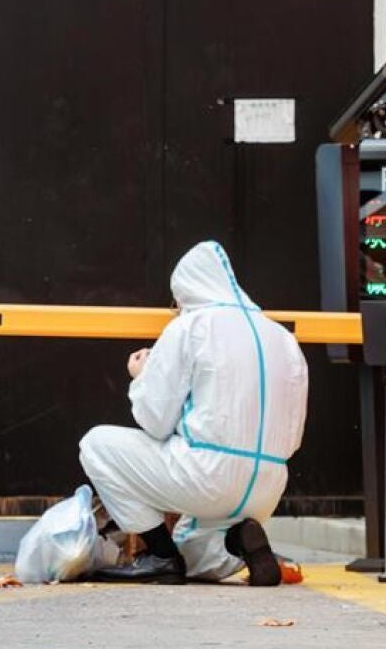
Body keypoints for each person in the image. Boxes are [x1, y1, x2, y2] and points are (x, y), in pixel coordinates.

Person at [79, 241, 308, 586]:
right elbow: (292, 436)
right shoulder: (283, 338)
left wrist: (142, 376)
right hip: (267, 487)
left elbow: (154, 421)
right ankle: (238, 540)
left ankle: (160, 555)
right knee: (196, 556)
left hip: (207, 477)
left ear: (186, 292)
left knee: (96, 445)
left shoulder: (192, 325)